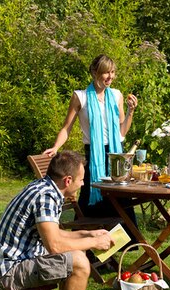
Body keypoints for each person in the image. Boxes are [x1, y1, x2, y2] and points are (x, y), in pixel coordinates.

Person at [0, 151, 115, 290]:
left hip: (9, 264)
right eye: (81, 180)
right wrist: (94, 243)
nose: (82, 184)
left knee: (76, 251)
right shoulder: (46, 197)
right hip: (8, 272)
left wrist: (88, 234)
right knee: (78, 261)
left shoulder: (45, 187)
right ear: (68, 180)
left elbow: (55, 234)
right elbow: (54, 245)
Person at [43, 54, 138, 224]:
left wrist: (131, 112)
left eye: (113, 72)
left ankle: (121, 242)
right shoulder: (80, 97)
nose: (111, 77)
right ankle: (86, 240)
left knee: (120, 199)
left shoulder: (117, 96)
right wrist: (56, 147)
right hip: (94, 155)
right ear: (95, 72)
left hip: (116, 154)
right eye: (106, 72)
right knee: (90, 195)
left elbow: (121, 133)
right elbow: (67, 128)